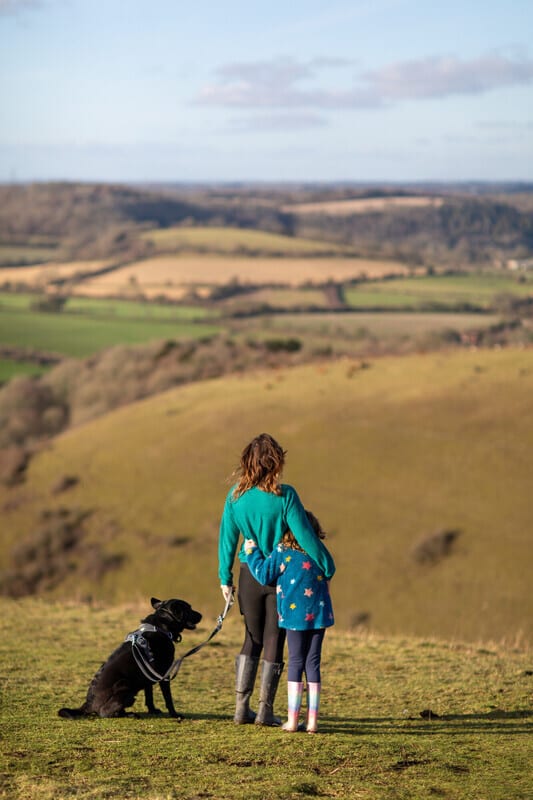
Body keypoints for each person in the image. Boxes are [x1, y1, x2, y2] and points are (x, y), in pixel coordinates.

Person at [218, 433, 336, 726]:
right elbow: (306, 537)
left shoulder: (235, 497)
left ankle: (239, 708)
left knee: (252, 638)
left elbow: (227, 540)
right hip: (281, 576)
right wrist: (327, 565)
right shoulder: (286, 495)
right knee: (274, 638)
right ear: (275, 463)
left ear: (248, 462)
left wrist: (225, 577)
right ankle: (265, 711)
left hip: (249, 574)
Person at [244, 510, 334, 733]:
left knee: (295, 662)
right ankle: (312, 722)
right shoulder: (319, 552)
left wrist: (251, 552)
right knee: (313, 662)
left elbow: (264, 575)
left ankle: (293, 721)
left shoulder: (283, 552)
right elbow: (331, 569)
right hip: (319, 615)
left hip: (293, 617)